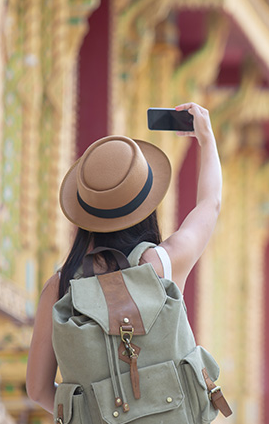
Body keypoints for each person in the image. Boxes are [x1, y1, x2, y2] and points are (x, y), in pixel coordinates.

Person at [26, 102, 221, 414]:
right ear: (147, 204)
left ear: (84, 214)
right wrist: (206, 138)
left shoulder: (61, 288)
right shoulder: (162, 266)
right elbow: (210, 204)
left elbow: (37, 389)